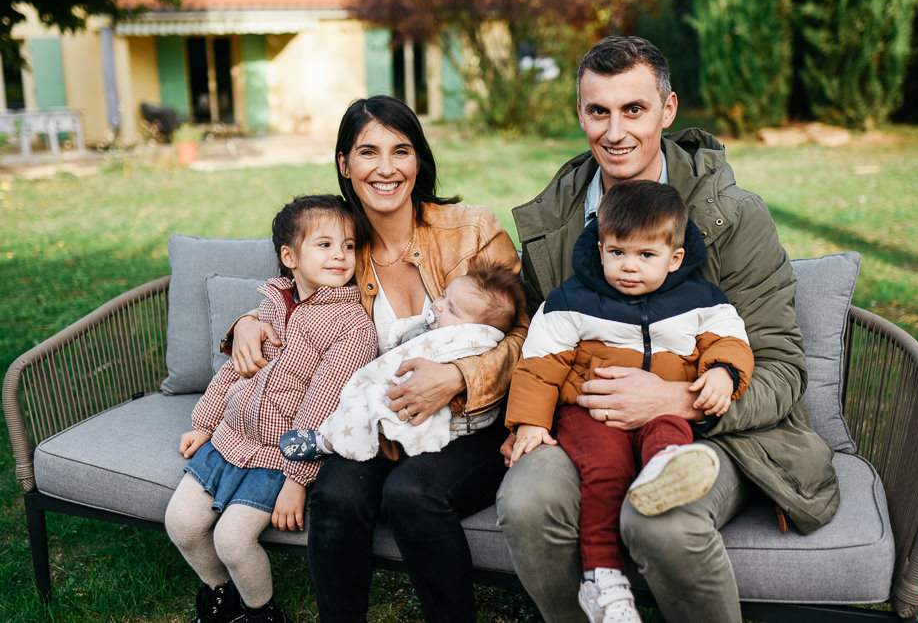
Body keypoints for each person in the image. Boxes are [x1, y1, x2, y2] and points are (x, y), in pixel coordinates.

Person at [497, 35, 839, 623]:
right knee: (527, 500)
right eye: (597, 111)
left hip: (717, 434)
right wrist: (525, 418)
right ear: (580, 114)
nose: (615, 131)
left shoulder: (734, 216)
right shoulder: (553, 218)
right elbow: (540, 341)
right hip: (591, 423)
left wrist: (679, 397)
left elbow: (782, 365)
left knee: (659, 517)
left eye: (634, 109)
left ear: (668, 110)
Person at [227, 95, 527, 623]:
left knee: (411, 494)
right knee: (338, 496)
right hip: (375, 421)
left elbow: (525, 334)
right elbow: (287, 292)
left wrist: (456, 376)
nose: (386, 168)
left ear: (419, 160)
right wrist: (245, 324)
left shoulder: (473, 229)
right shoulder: (339, 245)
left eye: (401, 150)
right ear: (345, 164)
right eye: (368, 152)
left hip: (470, 421)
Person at [506, 180, 754, 622]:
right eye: (617, 253)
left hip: (660, 410)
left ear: (674, 258)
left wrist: (723, 372)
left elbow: (730, 339)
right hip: (591, 412)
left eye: (646, 255)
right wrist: (530, 423)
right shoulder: (571, 300)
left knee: (672, 431)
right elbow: (538, 363)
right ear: (600, 249)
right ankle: (602, 580)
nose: (629, 267)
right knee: (607, 469)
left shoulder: (698, 300)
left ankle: (663, 473)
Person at [164, 194, 378, 623]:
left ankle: (262, 614)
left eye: (349, 246)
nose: (340, 255)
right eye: (324, 244)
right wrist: (206, 423)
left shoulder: (351, 325)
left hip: (277, 461)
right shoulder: (271, 305)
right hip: (230, 438)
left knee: (233, 541)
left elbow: (322, 407)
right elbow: (236, 370)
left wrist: (298, 480)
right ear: (289, 255)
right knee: (182, 523)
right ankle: (220, 598)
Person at [281, 260, 525, 461]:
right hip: (407, 399)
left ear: (476, 329)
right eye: (443, 296)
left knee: (372, 401)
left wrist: (457, 376)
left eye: (452, 309)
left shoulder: (469, 342)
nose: (438, 306)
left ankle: (328, 442)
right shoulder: (435, 327)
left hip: (446, 418)